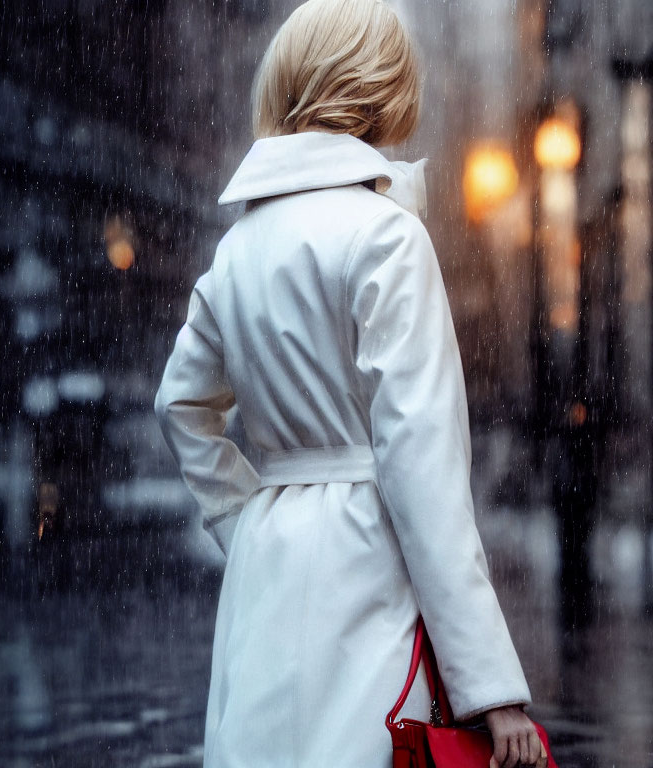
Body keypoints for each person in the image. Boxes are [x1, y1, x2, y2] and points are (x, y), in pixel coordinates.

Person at [154, 1, 545, 766]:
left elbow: (181, 405)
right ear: (383, 89)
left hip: (269, 567)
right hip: (369, 564)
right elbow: (421, 466)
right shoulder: (387, 236)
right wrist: (491, 691)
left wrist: (244, 518)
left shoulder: (236, 251)